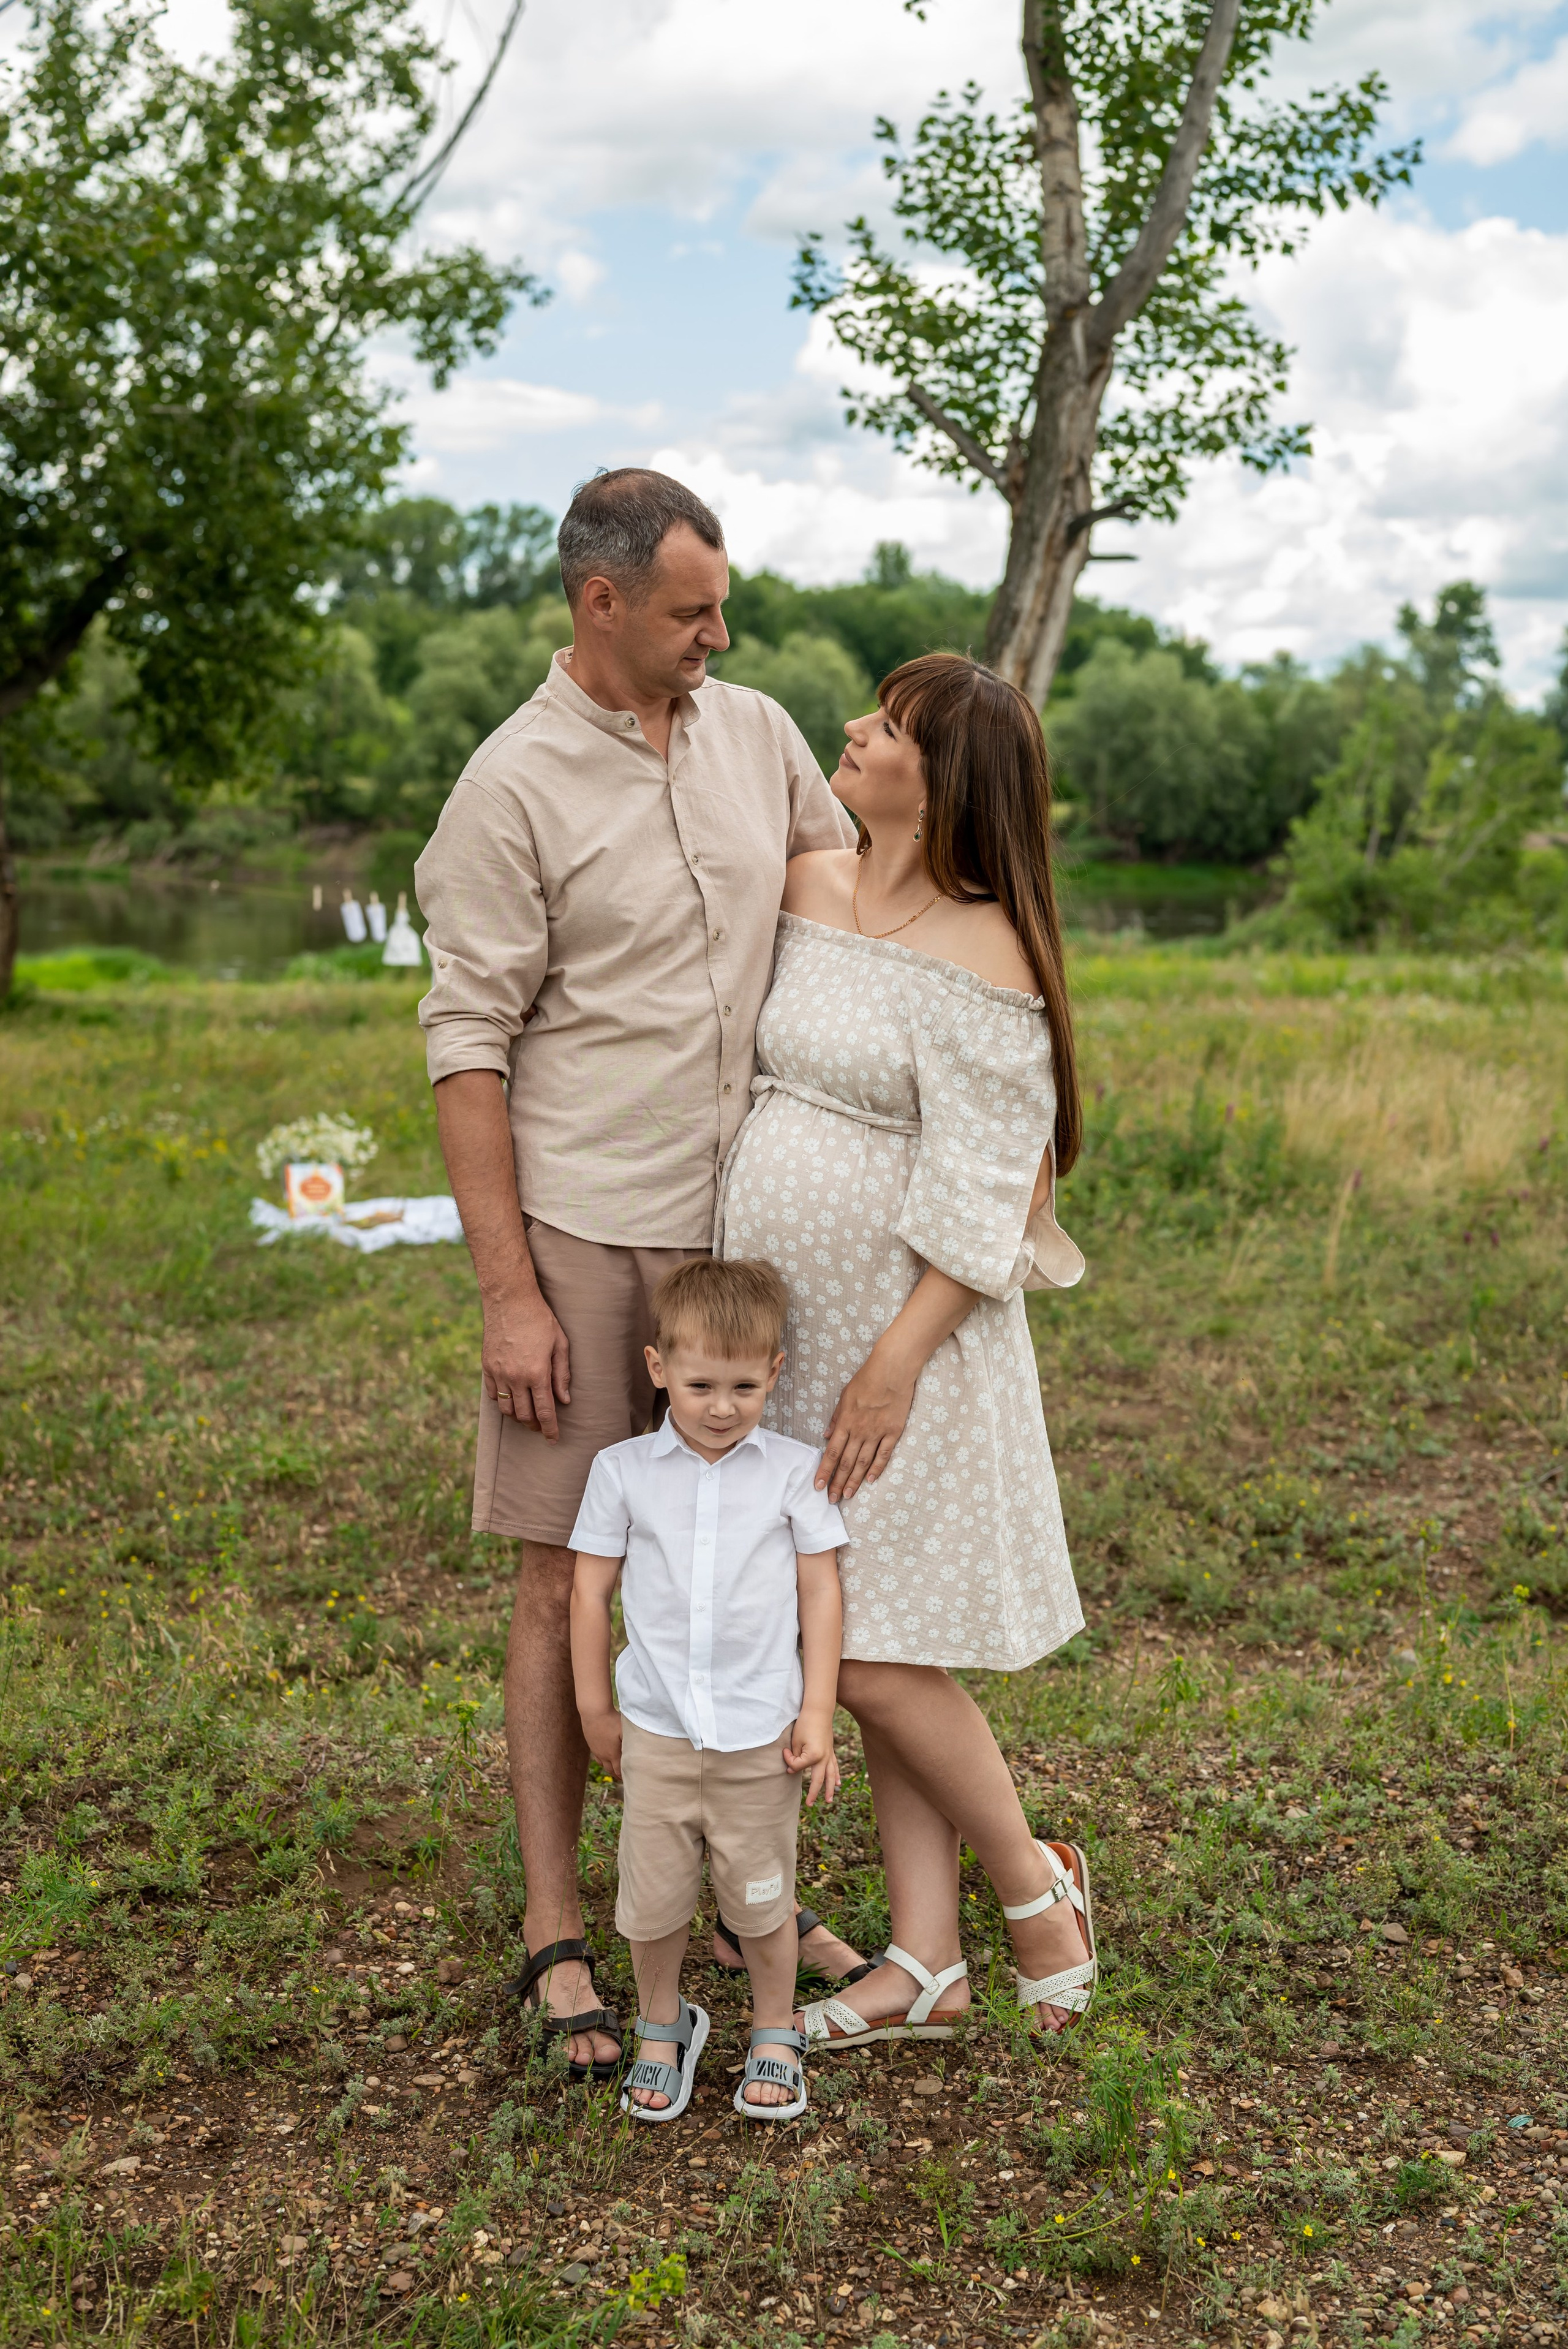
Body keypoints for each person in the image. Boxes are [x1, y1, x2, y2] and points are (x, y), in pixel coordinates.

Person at [415, 468, 858, 2076]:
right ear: (599, 603)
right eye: (690, 612)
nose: (718, 635)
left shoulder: (755, 734)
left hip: (735, 1240)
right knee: (565, 1577)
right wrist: (508, 1294)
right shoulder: (509, 790)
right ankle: (557, 1931)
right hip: (586, 1230)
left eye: (721, 604)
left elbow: (848, 893)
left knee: (739, 1561)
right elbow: (467, 1050)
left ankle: (750, 1892)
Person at [716, 651, 1098, 2042]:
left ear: (946, 786)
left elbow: (989, 1185)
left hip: (908, 1349)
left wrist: (896, 1358)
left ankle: (1029, 1885)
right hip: (792, 1339)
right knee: (872, 1630)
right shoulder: (808, 886)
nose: (856, 732)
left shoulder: (985, 945)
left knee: (871, 1650)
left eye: (888, 729)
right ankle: (921, 1963)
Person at [569, 1257, 846, 2121]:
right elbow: (588, 1590)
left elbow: (820, 1589)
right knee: (650, 1898)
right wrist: (593, 1706)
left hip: (761, 1732)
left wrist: (818, 1712)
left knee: (762, 1894)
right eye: (698, 1384)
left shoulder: (795, 1471)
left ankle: (773, 2024)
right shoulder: (623, 1471)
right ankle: (664, 2022)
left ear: (774, 1373)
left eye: (742, 1384)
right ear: (659, 1370)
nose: (721, 1405)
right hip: (654, 1726)